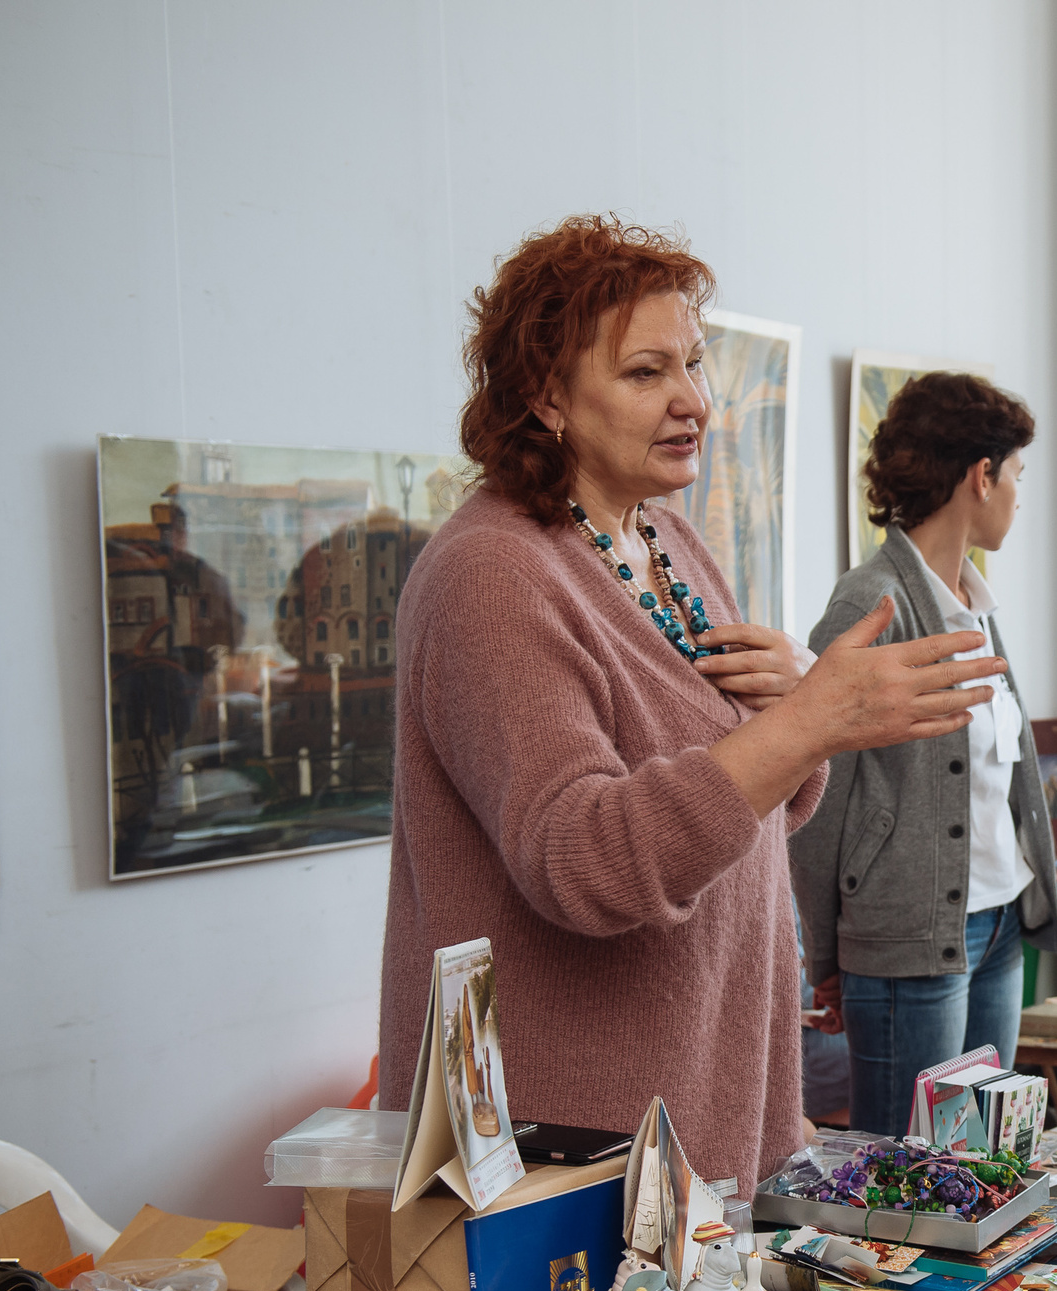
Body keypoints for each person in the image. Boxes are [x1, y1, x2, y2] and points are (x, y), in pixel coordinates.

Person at [379, 215, 1002, 1188]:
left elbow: (760, 811)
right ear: (545, 395)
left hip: (705, 1132)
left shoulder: (665, 541)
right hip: (572, 1164)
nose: (694, 403)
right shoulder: (491, 575)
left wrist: (794, 720)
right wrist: (809, 721)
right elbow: (585, 863)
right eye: (646, 373)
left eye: (696, 365)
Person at [791, 375, 1057, 1136]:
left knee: (982, 1160)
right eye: (1016, 474)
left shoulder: (975, 605)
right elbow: (818, 796)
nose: (1017, 493)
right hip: (909, 933)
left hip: (1001, 919)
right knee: (908, 1173)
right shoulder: (869, 603)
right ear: (981, 474)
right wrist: (825, 956)